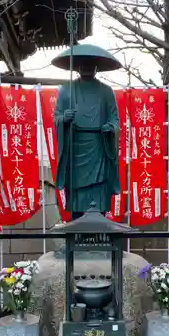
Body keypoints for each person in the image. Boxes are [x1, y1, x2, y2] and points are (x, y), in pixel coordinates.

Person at [54, 61, 121, 220]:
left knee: (99, 192)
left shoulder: (106, 91)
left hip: (99, 145)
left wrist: (110, 127)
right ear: (77, 66)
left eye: (91, 63)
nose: (86, 66)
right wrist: (64, 118)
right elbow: (57, 117)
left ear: (97, 67)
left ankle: (100, 230)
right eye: (83, 63)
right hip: (76, 146)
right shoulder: (66, 90)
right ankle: (76, 229)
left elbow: (115, 119)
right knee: (76, 194)